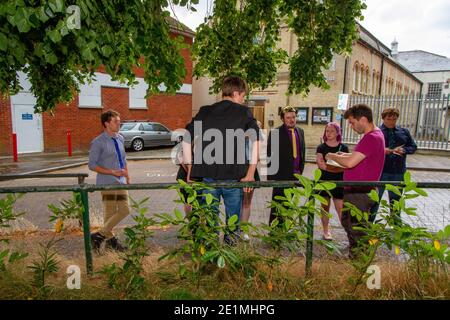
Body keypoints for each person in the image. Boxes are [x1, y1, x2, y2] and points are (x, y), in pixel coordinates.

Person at [182, 76, 261, 245]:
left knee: (210, 224)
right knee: (233, 225)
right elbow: (256, 140)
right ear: (235, 93)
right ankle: (229, 261)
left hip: (208, 179)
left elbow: (186, 138)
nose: (243, 100)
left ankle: (211, 261)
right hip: (233, 179)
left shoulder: (205, 111)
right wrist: (250, 173)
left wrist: (190, 168)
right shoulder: (243, 112)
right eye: (242, 96)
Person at [325, 104, 385, 257]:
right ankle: (355, 258)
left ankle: (358, 261)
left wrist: (332, 156)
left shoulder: (371, 138)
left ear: (363, 119)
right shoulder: (374, 135)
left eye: (352, 122)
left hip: (360, 192)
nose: (351, 126)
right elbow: (357, 158)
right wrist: (343, 155)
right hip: (356, 191)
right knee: (349, 224)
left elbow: (350, 163)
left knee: (356, 229)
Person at [88, 110, 130, 252]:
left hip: (121, 181)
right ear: (106, 124)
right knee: (110, 213)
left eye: (119, 121)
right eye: (116, 121)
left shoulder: (120, 138)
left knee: (125, 210)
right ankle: (111, 244)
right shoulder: (98, 142)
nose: (119, 124)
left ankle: (98, 236)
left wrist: (127, 176)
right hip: (107, 182)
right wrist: (112, 172)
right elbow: (92, 165)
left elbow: (123, 159)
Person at [370, 107, 417, 223]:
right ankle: (369, 225)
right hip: (381, 171)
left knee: (396, 202)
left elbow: (413, 146)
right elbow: (370, 150)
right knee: (375, 200)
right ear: (383, 118)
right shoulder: (377, 132)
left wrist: (404, 150)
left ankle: (395, 226)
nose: (391, 121)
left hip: (398, 171)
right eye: (389, 119)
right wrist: (383, 150)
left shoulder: (404, 131)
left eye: (394, 119)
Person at [267, 106, 306, 225]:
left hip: (296, 175)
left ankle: (285, 229)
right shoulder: (275, 133)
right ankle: (274, 232)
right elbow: (269, 154)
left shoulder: (300, 131)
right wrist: (271, 177)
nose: (291, 120)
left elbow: (301, 152)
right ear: (283, 119)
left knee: (289, 204)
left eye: (293, 117)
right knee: (277, 206)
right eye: (288, 118)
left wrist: (300, 171)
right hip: (280, 176)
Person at [316, 122, 349, 240]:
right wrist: (337, 167)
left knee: (340, 208)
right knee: (324, 207)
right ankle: (325, 231)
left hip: (339, 182)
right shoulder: (321, 147)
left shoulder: (343, 148)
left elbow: (346, 165)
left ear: (337, 133)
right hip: (324, 180)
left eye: (332, 131)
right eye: (327, 131)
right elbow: (321, 165)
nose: (329, 133)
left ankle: (348, 233)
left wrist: (332, 167)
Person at [240, 120, 263, 241]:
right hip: (236, 168)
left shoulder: (255, 133)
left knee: (247, 202)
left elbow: (259, 155)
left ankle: (244, 230)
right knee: (234, 200)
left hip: (250, 169)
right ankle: (234, 229)